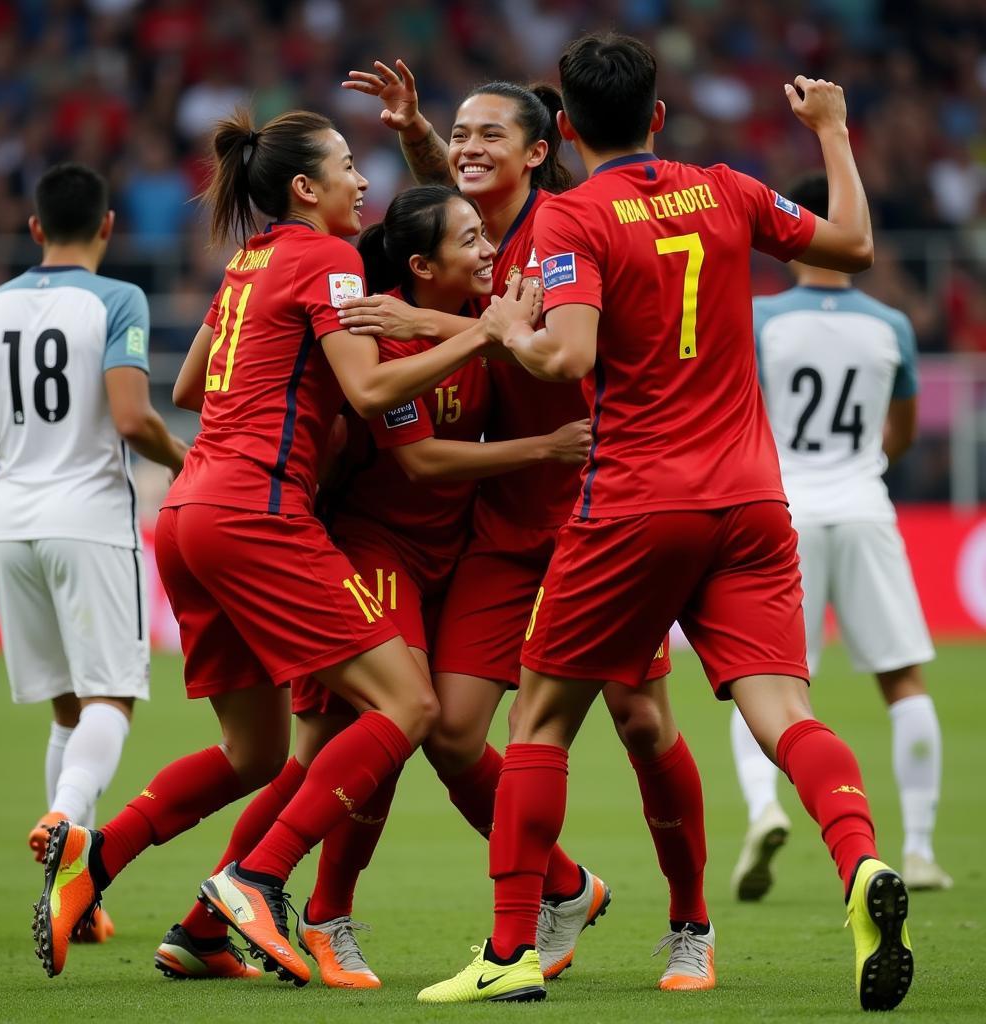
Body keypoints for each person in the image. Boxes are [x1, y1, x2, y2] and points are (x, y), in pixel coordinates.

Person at [418, 34, 913, 1013]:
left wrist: (508, 332)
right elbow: (852, 246)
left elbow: (566, 358)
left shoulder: (571, 216)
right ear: (657, 116)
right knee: (784, 717)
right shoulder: (725, 189)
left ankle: (513, 948)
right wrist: (833, 132)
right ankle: (858, 862)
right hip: (750, 500)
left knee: (539, 719)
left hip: (636, 503)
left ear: (560, 128)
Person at [31, 109, 496, 986]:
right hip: (257, 514)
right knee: (409, 706)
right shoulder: (328, 258)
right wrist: (478, 332)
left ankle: (105, 858)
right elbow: (367, 391)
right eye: (349, 167)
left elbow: (189, 383)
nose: (364, 182)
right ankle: (253, 878)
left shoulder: (246, 263)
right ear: (304, 190)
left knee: (256, 753)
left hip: (188, 512)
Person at [155, 183, 591, 986]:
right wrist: (537, 443)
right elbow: (418, 458)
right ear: (423, 263)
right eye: (470, 239)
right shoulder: (366, 319)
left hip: (454, 556)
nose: (489, 247)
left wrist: (459, 324)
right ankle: (306, 908)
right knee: (377, 727)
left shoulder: (469, 314)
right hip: (366, 547)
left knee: (430, 735)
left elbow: (532, 341)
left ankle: (210, 919)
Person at [340, 63, 711, 992]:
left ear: (541, 153)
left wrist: (429, 328)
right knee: (454, 731)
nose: (467, 148)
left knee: (642, 721)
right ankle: (561, 891)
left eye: (489, 135)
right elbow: (455, 201)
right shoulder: (484, 236)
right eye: (458, 134)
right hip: (505, 529)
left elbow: (548, 341)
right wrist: (419, 133)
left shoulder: (572, 226)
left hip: (596, 508)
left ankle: (691, 925)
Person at [0, 163, 187, 943]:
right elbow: (131, 417)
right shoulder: (117, 299)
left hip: (12, 523)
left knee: (66, 704)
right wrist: (187, 458)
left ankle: (73, 895)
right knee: (111, 698)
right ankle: (67, 819)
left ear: (32, 230)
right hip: (89, 518)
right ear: (109, 226)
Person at [729, 171, 948, 901]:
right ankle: (917, 850)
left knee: (769, 686)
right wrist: (864, 464)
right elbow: (904, 432)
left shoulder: (761, 320)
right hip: (863, 503)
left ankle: (764, 811)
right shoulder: (890, 325)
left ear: (791, 232)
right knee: (904, 679)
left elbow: (738, 415)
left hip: (779, 510)